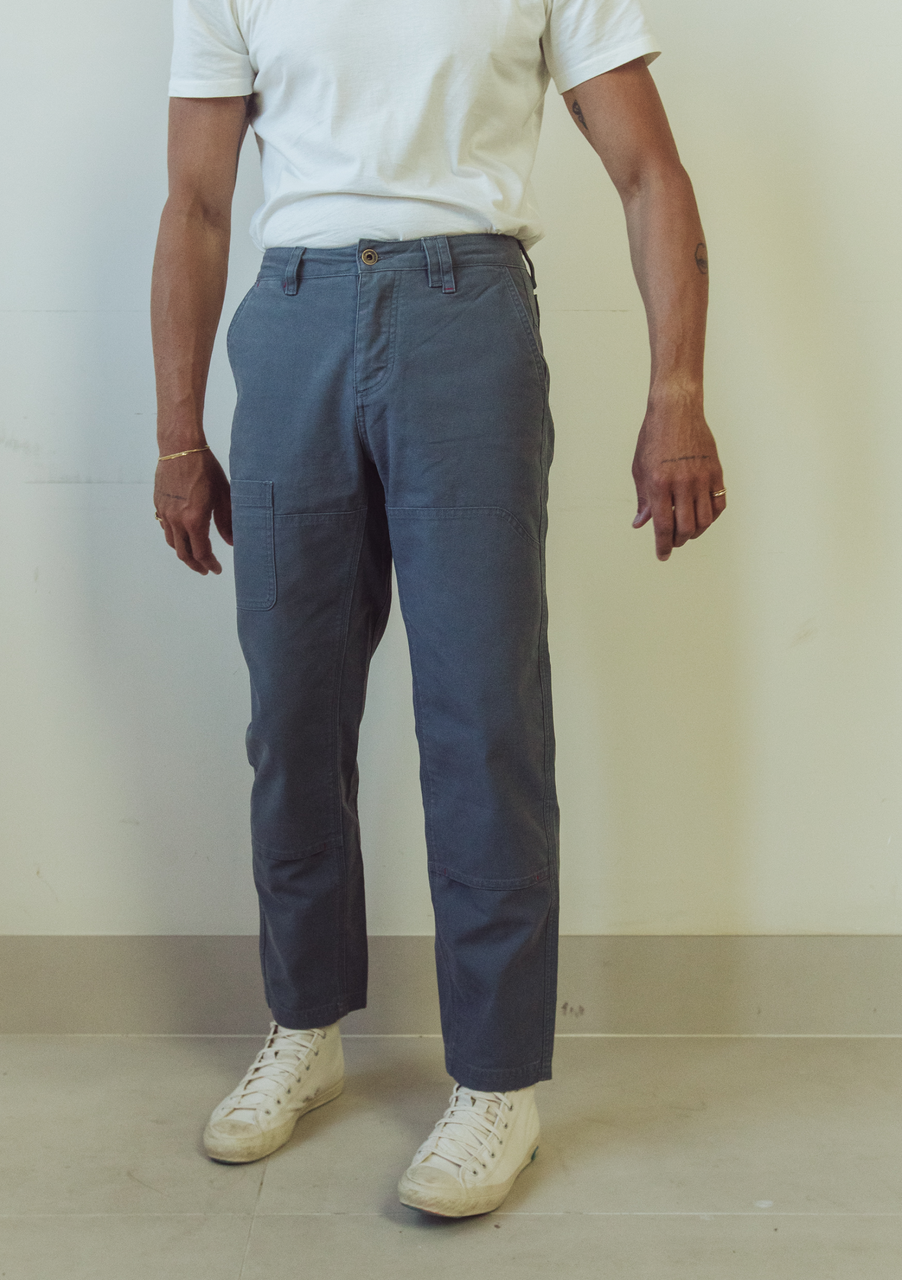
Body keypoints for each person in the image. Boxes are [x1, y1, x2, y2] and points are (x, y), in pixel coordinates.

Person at [151, 0, 725, 1219]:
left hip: (465, 316)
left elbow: (647, 170)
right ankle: (304, 1022)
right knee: (292, 713)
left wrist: (676, 389)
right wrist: (176, 434)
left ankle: (497, 1079)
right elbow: (196, 204)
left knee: (481, 716)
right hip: (293, 317)